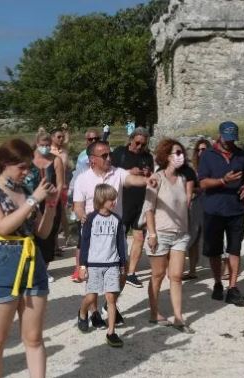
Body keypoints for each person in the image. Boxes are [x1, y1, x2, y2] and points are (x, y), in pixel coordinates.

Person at [0, 139, 58, 378]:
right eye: (21, 167)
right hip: (1, 260)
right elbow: (2, 226)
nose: (27, 172)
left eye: (28, 167)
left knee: (33, 337)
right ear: (5, 163)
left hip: (32, 259)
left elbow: (42, 232)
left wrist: (50, 204)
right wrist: (34, 200)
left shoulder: (25, 191)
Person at [72, 140, 157, 327]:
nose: (109, 158)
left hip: (115, 232)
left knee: (122, 271)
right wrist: (85, 219)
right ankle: (90, 312)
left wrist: (146, 180)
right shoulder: (82, 179)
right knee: (94, 278)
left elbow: (132, 179)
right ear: (92, 159)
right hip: (93, 234)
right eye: (104, 156)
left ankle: (109, 305)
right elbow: (78, 206)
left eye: (109, 154)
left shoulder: (117, 173)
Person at [197, 121, 244, 306]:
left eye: (233, 139)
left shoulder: (241, 154)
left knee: (234, 249)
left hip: (236, 209)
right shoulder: (207, 155)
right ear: (219, 135)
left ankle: (233, 287)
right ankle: (218, 283)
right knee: (215, 251)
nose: (230, 143)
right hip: (213, 209)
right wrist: (223, 180)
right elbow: (202, 183)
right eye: (227, 139)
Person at [143, 139, 194, 333]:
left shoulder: (182, 179)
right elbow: (148, 208)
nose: (181, 156)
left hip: (180, 234)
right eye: (177, 152)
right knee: (157, 275)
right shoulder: (157, 178)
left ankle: (178, 317)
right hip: (161, 233)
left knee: (176, 276)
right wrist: (152, 234)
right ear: (167, 156)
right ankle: (154, 312)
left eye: (181, 152)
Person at [76, 184, 127, 347]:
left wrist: (122, 264)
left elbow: (120, 243)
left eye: (114, 198)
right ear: (101, 200)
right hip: (94, 264)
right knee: (91, 296)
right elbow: (84, 244)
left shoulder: (117, 220)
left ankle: (111, 332)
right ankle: (83, 312)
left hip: (112, 264)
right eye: (111, 199)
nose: (114, 202)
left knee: (111, 298)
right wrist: (82, 266)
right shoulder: (90, 219)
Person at [110, 127, 154, 288]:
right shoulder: (120, 152)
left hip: (140, 202)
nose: (140, 147)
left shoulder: (147, 156)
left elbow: (151, 177)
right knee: (118, 238)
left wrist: (147, 173)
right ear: (131, 139)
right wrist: (129, 171)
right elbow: (110, 173)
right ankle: (117, 267)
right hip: (122, 202)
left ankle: (131, 273)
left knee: (139, 238)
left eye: (143, 144)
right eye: (137, 143)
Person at [25, 132, 65, 281]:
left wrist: (54, 201)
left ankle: (44, 269)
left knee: (48, 236)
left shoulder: (56, 160)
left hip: (50, 201)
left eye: (48, 145)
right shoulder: (29, 160)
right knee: (33, 235)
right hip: (33, 201)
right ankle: (31, 267)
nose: (45, 148)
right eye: (42, 145)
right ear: (36, 143)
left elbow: (60, 183)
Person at [67, 129, 101, 281]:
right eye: (90, 139)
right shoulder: (82, 157)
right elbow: (75, 181)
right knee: (83, 240)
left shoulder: (107, 153)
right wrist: (74, 203)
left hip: (101, 205)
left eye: (96, 139)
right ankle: (79, 268)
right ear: (86, 141)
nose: (93, 142)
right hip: (85, 205)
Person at [183, 138, 211, 280]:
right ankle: (192, 270)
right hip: (195, 204)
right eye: (198, 150)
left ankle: (225, 269)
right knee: (193, 237)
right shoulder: (193, 168)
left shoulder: (213, 165)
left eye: (204, 149)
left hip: (210, 203)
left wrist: (194, 188)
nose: (201, 152)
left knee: (213, 236)